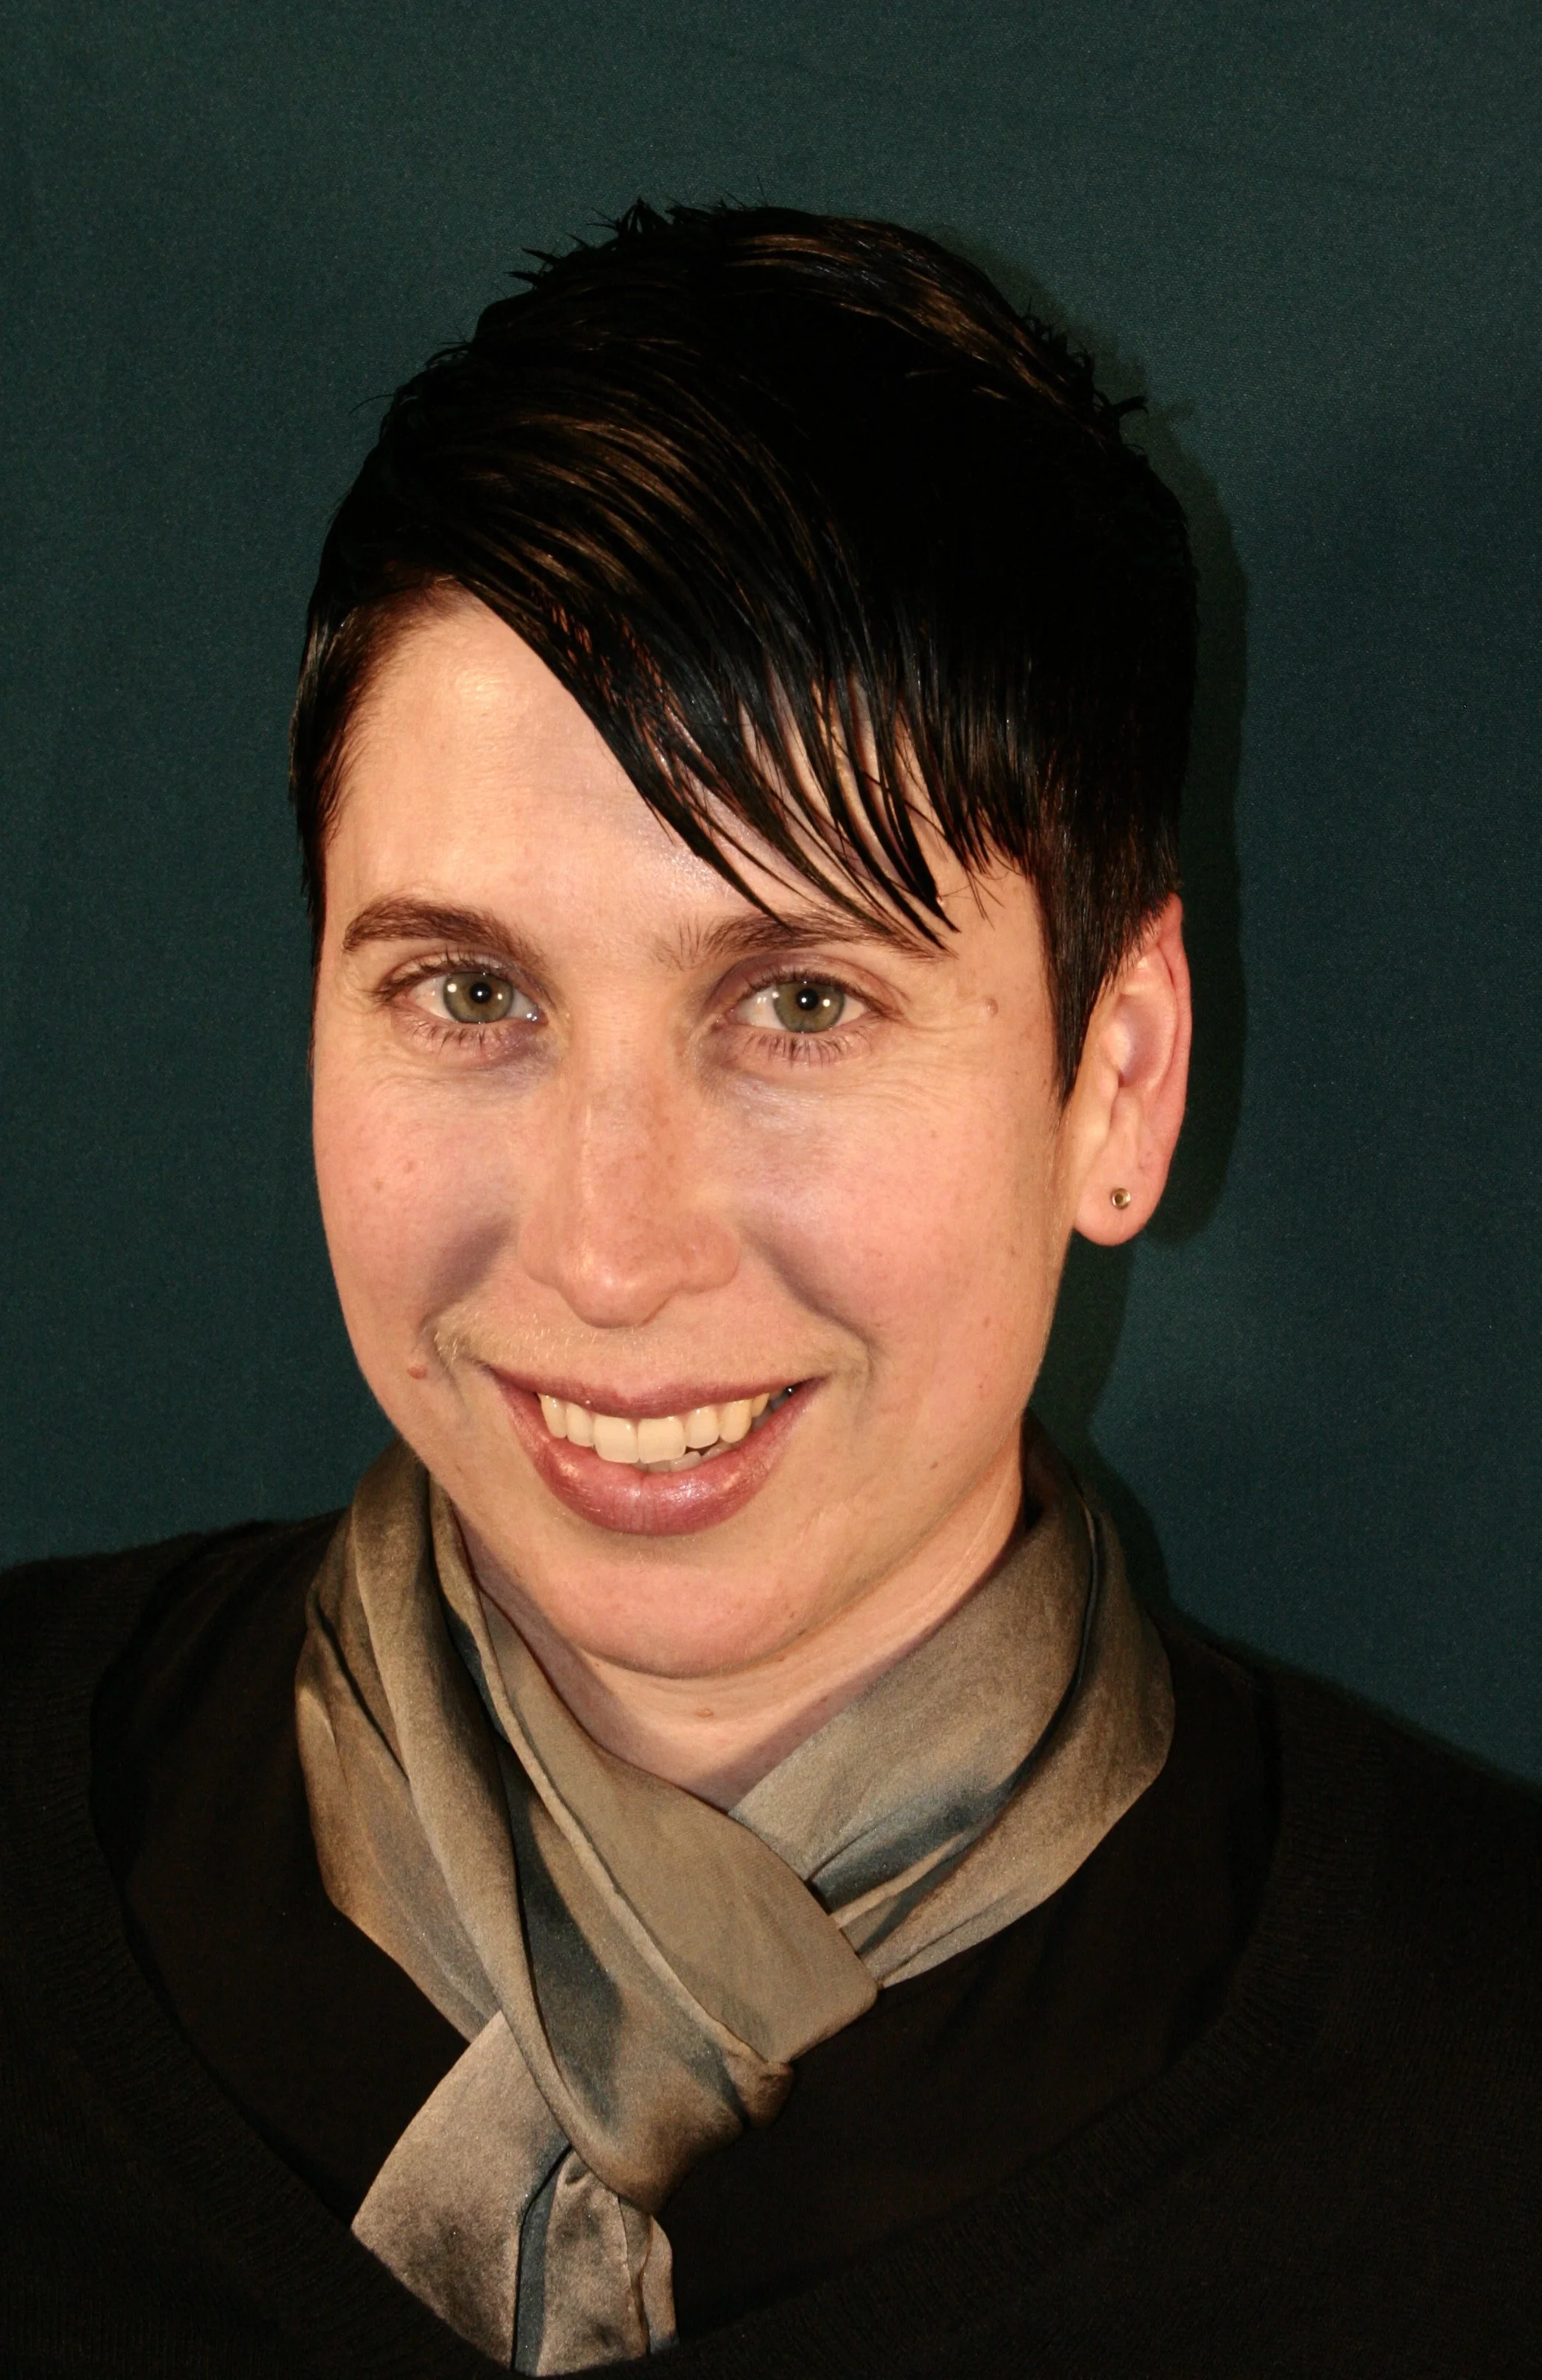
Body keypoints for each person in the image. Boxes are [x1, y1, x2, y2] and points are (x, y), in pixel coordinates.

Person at [1, 203, 1537, 2379]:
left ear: (1116, 1076)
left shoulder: (1486, 2122)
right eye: (468, 991)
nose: (612, 1253)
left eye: (799, 1003)